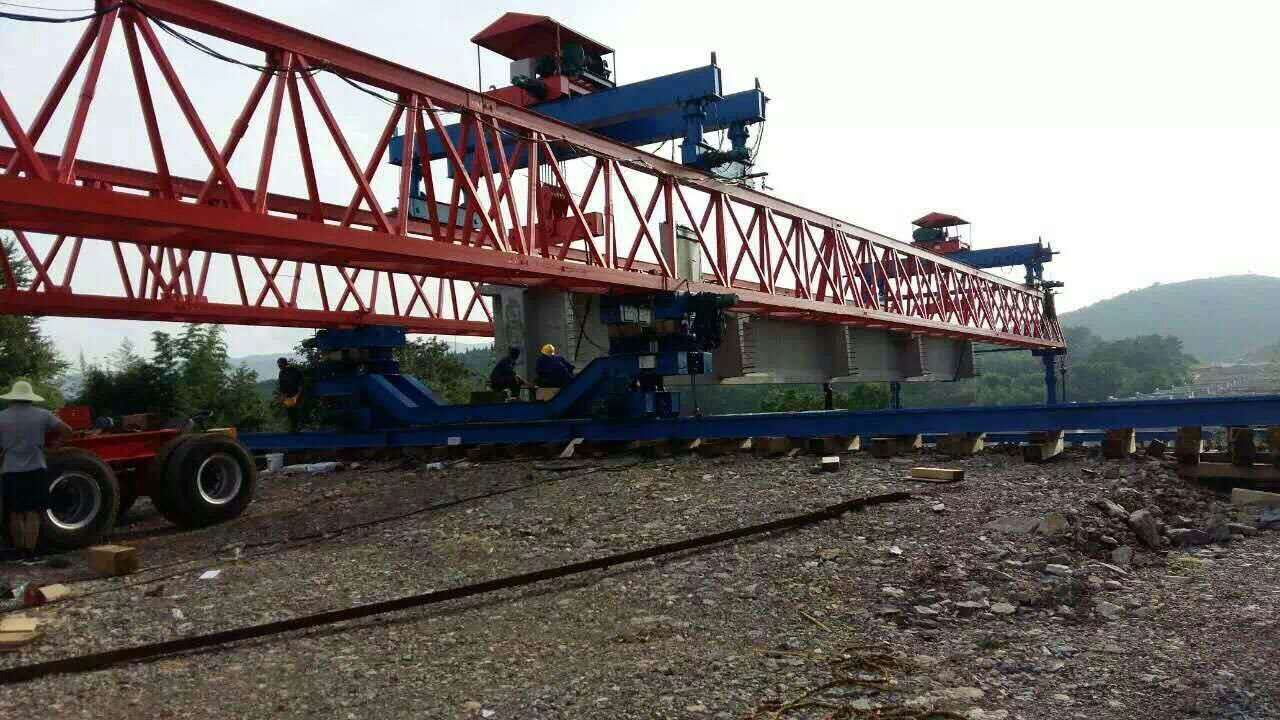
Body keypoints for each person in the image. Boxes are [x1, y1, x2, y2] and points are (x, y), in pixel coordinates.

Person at [0, 380, 71, 554]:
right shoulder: (42, 414)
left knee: (15, 512)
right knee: (33, 512)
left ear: (12, 398)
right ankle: (30, 552)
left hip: (10, 470)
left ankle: (19, 550)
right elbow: (67, 430)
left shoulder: (2, 416)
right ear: (30, 398)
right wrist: (55, 447)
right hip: (36, 468)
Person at [277, 358, 304, 433]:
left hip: (297, 395)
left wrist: (297, 396)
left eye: (280, 365)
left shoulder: (295, 371)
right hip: (288, 396)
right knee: (290, 412)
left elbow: (301, 385)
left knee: (297, 412)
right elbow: (282, 387)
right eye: (279, 365)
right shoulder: (281, 373)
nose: (279, 367)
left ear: (285, 364)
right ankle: (293, 428)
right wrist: (282, 397)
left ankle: (299, 427)